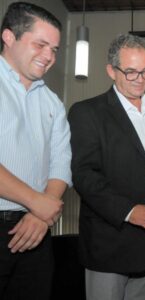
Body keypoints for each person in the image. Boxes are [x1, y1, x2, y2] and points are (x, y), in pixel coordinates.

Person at [68, 34, 145, 300]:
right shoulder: (88, 112)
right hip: (110, 242)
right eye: (130, 72)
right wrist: (129, 211)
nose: (140, 79)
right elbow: (84, 175)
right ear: (111, 71)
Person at [0, 2, 71, 299]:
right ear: (9, 37)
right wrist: (37, 203)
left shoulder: (52, 102)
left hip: (37, 229)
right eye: (40, 45)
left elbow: (60, 164)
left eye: (54, 49)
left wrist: (42, 212)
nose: (49, 57)